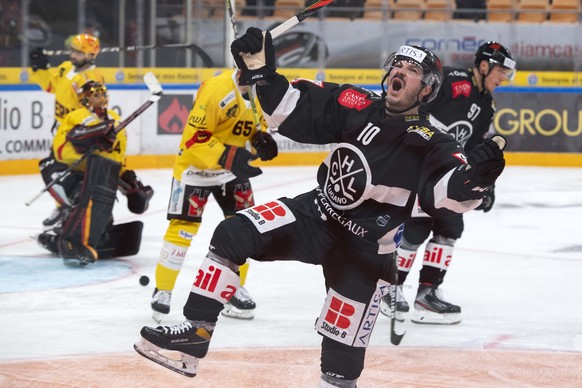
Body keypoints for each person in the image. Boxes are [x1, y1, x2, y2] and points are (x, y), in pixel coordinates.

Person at [134, 28, 505, 387]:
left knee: (341, 368)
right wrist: (263, 74)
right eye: (397, 64)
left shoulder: (431, 141)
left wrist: (475, 179)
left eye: (411, 71)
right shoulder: (355, 104)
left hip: (366, 249)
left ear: (426, 90)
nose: (400, 72)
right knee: (233, 232)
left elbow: (445, 195)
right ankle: (196, 334)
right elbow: (291, 109)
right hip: (317, 213)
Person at [380, 41, 516, 325]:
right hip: (418, 165)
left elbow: (476, 146)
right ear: (483, 66)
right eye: (500, 71)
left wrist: (484, 184)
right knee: (415, 229)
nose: (503, 78)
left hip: (448, 174)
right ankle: (390, 288)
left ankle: (426, 294)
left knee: (451, 227)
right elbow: (412, 104)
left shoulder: (485, 103)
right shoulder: (455, 83)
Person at [150, 68, 278, 323]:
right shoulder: (216, 89)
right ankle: (162, 290)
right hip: (194, 170)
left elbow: (252, 126)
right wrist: (227, 155)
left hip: (230, 172)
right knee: (183, 230)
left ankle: (233, 288)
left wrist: (260, 139)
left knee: (245, 229)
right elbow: (193, 139)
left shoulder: (261, 92)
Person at [36, 81, 153, 266]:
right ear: (85, 97)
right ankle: (70, 241)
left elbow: (117, 157)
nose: (100, 97)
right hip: (68, 172)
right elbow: (60, 151)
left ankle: (88, 238)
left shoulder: (115, 120)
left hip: (100, 176)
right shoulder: (75, 116)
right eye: (94, 93)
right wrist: (89, 141)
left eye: (102, 92)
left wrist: (128, 181)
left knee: (101, 212)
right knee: (85, 193)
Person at [30, 33, 105, 230]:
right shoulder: (65, 67)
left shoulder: (91, 80)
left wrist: (85, 133)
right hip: (60, 130)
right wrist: (40, 69)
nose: (73, 54)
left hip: (75, 135)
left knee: (64, 173)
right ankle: (62, 206)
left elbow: (96, 112)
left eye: (78, 52)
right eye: (72, 49)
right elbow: (50, 86)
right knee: (56, 173)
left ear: (90, 55)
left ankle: (68, 209)